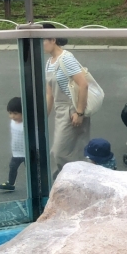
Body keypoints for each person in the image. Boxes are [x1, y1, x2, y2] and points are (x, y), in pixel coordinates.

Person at [43, 23, 91, 176]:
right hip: (60, 110)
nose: (41, 45)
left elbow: (83, 84)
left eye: (43, 40)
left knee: (60, 152)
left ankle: (71, 182)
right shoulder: (49, 63)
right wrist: (44, 116)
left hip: (72, 110)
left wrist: (80, 112)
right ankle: (68, 184)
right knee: (67, 152)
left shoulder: (66, 58)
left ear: (53, 40)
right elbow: (49, 93)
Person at [0, 97, 24, 192]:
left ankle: (39, 184)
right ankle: (11, 183)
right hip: (16, 152)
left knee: (33, 170)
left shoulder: (28, 124)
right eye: (10, 113)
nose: (12, 116)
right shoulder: (13, 122)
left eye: (15, 114)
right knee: (12, 167)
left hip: (28, 153)